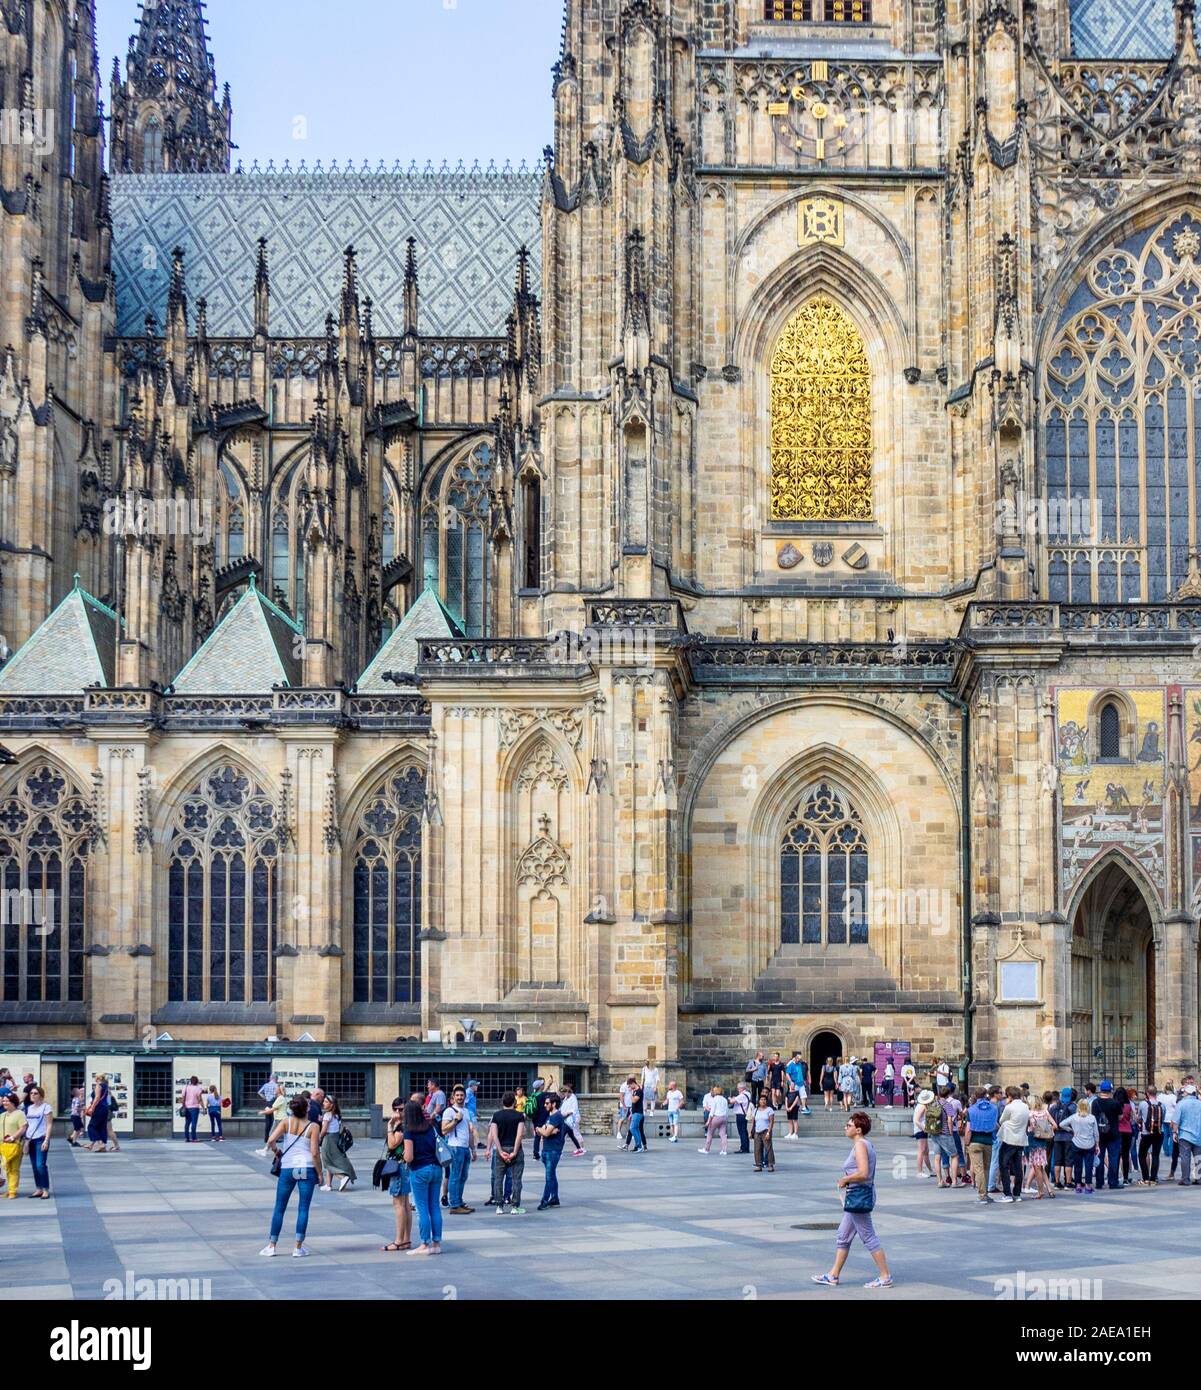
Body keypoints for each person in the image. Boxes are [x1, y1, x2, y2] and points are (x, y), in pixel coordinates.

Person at [812, 1112, 893, 1289]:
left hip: (859, 1197)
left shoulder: (861, 1145)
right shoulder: (862, 1144)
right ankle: (833, 1275)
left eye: (848, 1126)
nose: (845, 1128)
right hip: (858, 1195)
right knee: (843, 1235)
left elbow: (864, 1173)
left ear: (858, 1129)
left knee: (868, 1236)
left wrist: (845, 1179)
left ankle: (885, 1276)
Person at [260, 1096, 322, 1258]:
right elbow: (315, 1152)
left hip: (288, 1167)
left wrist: (277, 1152)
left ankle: (272, 1245)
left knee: (279, 1207)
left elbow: (271, 1140)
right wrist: (320, 1173)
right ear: (307, 1109)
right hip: (307, 1168)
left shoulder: (286, 1122)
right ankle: (298, 1247)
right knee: (303, 1208)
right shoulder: (313, 1126)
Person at [403, 1098, 443, 1255]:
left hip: (419, 1170)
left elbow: (409, 1157)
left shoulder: (409, 1130)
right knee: (434, 1206)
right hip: (436, 1168)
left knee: (422, 1209)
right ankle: (437, 1243)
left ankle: (424, 1244)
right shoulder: (431, 1126)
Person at [485, 1092, 526, 1215]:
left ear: (502, 1102)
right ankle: (514, 1206)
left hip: (501, 1148)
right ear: (514, 1102)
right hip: (515, 1148)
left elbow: (494, 1135)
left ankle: (499, 1205)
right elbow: (520, 1135)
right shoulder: (519, 1116)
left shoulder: (496, 1116)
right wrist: (514, 1151)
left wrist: (499, 1150)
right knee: (516, 1179)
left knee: (498, 1178)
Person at [381, 1098, 412, 1251]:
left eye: (401, 1109)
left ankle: (399, 1240)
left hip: (399, 1166)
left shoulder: (401, 1126)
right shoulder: (410, 1123)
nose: (398, 1112)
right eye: (396, 1109)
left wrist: (389, 1126)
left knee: (398, 1203)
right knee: (405, 1203)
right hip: (405, 1166)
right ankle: (406, 1239)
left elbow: (393, 1143)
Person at [441, 1084, 475, 1213]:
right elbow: (444, 1130)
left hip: (465, 1148)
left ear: (465, 1097)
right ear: (453, 1097)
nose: (460, 1097)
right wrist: (455, 1120)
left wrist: (473, 1149)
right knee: (455, 1176)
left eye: (461, 1095)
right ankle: (454, 1205)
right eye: (457, 1095)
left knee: (463, 1176)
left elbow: (469, 1131)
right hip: (455, 1147)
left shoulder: (466, 1111)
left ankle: (459, 1202)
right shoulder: (449, 1111)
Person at [995, 1085, 1029, 1203]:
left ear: (1009, 1096)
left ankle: (1007, 1194)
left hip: (1009, 1139)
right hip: (1021, 1139)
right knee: (1018, 1166)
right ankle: (1017, 1193)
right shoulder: (1025, 1106)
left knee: (1004, 1165)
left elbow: (1001, 1120)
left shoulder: (1009, 1107)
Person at [963, 1087, 997, 1204]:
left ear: (975, 1096)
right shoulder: (993, 1108)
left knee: (979, 1169)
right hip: (988, 1141)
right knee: (986, 1168)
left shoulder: (971, 1110)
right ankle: (986, 1194)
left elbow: (968, 1129)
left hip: (975, 1141)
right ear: (986, 1095)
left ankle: (982, 1195)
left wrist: (966, 1143)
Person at [318, 1094, 357, 1192]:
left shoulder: (327, 1115)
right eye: (324, 1101)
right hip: (335, 1138)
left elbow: (324, 1130)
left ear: (332, 1105)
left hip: (328, 1139)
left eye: (326, 1102)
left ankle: (342, 1177)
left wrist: (319, 1138)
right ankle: (328, 1185)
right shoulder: (336, 1115)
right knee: (330, 1160)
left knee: (327, 1162)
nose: (323, 1103)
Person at [1059, 1098, 1100, 1192]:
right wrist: (1097, 1144)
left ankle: (1078, 1185)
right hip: (1089, 1144)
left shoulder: (1074, 1117)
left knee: (1078, 1165)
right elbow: (1096, 1133)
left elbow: (1061, 1124)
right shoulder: (1092, 1117)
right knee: (1089, 1166)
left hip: (1077, 1143)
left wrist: (1070, 1130)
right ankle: (1088, 1186)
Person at [535, 1092, 566, 1210]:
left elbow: (545, 1132)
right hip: (547, 1149)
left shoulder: (557, 1116)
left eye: (547, 1103)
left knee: (549, 1177)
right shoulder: (550, 1116)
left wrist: (540, 1129)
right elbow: (545, 1131)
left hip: (553, 1150)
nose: (545, 1105)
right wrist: (544, 1131)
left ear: (554, 1104)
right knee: (552, 1175)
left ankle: (544, 1200)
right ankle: (555, 1199)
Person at [924, 1088, 959, 1187]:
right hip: (945, 1134)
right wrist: (951, 1132)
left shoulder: (933, 1104)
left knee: (937, 1158)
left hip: (934, 1133)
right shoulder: (948, 1105)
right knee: (954, 1156)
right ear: (948, 1094)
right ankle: (954, 1181)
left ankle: (940, 1181)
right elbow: (949, 1120)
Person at [23, 1085, 52, 1198]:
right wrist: (25, 1141)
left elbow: (49, 1124)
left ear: (41, 1095)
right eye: (31, 1093)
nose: (32, 1095)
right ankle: (38, 1188)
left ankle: (45, 1189)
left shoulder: (46, 1107)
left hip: (41, 1139)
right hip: (30, 1140)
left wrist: (46, 1140)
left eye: (35, 1093)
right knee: (34, 1166)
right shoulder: (29, 1108)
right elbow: (26, 1125)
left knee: (40, 1165)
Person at [1092, 1080, 1122, 1190]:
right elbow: (1120, 1117)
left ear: (1101, 1090)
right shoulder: (1115, 1103)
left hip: (1099, 1135)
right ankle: (1113, 1182)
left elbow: (1093, 1118)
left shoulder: (1095, 1103)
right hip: (1113, 1134)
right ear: (1110, 1090)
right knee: (1113, 1158)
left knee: (1099, 1157)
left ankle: (1099, 1182)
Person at [1025, 1092, 1056, 1199]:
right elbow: (1055, 1125)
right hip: (1043, 1142)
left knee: (1036, 1168)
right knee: (1041, 1167)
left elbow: (1029, 1128)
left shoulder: (1030, 1114)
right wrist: (1046, 1130)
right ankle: (1050, 1189)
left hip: (1033, 1142)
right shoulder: (1045, 1112)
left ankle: (1040, 1192)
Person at [1174, 1082, 1201, 1185]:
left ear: (1187, 1093)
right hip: (1198, 1134)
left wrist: (1174, 1132)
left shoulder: (1181, 1104)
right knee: (1198, 1157)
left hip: (1185, 1135)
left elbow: (1176, 1121)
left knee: (1185, 1157)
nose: (1183, 1093)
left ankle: (1185, 1179)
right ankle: (1199, 1178)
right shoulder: (1200, 1103)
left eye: (1184, 1092)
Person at [0, 1093, 27, 1198]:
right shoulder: (2, 1115)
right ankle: (9, 1188)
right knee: (5, 1168)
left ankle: (12, 1191)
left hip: (14, 1145)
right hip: (2, 1145)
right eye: (4, 1101)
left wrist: (13, 1137)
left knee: (13, 1168)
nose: (5, 1103)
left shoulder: (19, 1114)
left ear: (13, 1102)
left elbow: (23, 1127)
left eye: (7, 1101)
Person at [1138, 1086, 1165, 1185]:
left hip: (1147, 1133)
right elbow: (1163, 1118)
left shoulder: (1143, 1104)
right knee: (1155, 1155)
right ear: (1156, 1093)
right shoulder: (1162, 1105)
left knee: (1142, 1155)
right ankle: (1153, 1179)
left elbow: (1139, 1117)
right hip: (1158, 1132)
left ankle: (1145, 1178)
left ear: (1147, 1093)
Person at [1049, 1087, 1075, 1189]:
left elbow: (1049, 1121)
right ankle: (1068, 1183)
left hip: (1057, 1137)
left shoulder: (1054, 1107)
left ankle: (1056, 1182)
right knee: (1068, 1160)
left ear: (1061, 1095)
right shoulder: (1073, 1107)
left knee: (1057, 1160)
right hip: (1069, 1137)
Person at [1115, 1086, 1136, 1185]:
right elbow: (1132, 1119)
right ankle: (1126, 1178)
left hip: (1117, 1131)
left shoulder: (1114, 1105)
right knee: (1126, 1155)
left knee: (1116, 1155)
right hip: (1127, 1131)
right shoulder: (1128, 1106)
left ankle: (1115, 1176)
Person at [85, 1075, 111, 1153]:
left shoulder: (98, 1086)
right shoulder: (106, 1087)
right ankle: (101, 1147)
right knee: (101, 1127)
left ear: (99, 1079)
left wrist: (92, 1107)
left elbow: (97, 1097)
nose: (95, 1079)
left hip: (98, 1108)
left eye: (96, 1078)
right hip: (105, 1109)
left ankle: (101, 1143)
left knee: (91, 1126)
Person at [700, 1085, 729, 1155]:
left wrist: (708, 1121)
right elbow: (726, 1110)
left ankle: (706, 1149)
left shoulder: (714, 1099)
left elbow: (712, 1112)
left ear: (715, 1092)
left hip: (716, 1117)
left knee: (709, 1133)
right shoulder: (725, 1099)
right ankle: (724, 1150)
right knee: (723, 1135)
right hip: (724, 1117)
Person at [559, 1082, 586, 1156]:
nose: (563, 1095)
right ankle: (579, 1149)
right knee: (572, 1135)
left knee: (564, 1135)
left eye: (564, 1093)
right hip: (566, 1120)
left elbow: (574, 1110)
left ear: (567, 1092)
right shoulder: (566, 1099)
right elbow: (562, 1108)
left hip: (571, 1120)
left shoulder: (573, 1098)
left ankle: (581, 1148)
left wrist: (566, 1114)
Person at [913, 1089, 935, 1178]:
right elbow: (916, 1120)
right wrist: (924, 1128)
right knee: (921, 1151)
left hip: (922, 1130)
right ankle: (919, 1171)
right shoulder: (922, 1106)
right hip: (920, 1130)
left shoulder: (921, 1106)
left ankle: (930, 1170)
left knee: (926, 1151)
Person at [752, 1091, 775, 1172]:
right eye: (761, 1099)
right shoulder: (755, 1110)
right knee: (757, 1149)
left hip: (766, 1131)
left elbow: (771, 1121)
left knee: (768, 1148)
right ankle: (758, 1165)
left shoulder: (769, 1110)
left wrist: (769, 1132)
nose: (763, 1101)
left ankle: (770, 1164)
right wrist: (751, 1131)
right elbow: (753, 1121)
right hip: (757, 1131)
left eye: (764, 1100)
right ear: (759, 1101)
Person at [730, 1081, 753, 1153]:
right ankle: (745, 1147)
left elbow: (732, 1101)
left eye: (738, 1088)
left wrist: (729, 1098)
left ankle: (744, 1148)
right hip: (744, 1114)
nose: (738, 1090)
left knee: (742, 1132)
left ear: (741, 1088)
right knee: (744, 1131)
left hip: (740, 1115)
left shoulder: (742, 1095)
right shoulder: (748, 1094)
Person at [180, 1075, 203, 1143]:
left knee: (187, 1123)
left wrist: (184, 1106)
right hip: (195, 1108)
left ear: (190, 1081)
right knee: (194, 1123)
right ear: (197, 1081)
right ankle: (194, 1138)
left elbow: (183, 1098)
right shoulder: (198, 1089)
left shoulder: (185, 1087)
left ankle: (187, 1138)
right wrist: (203, 1107)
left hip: (187, 1108)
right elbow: (200, 1099)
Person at [627, 1078, 646, 1153]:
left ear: (633, 1083)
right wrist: (631, 1113)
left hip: (638, 1113)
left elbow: (634, 1100)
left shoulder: (639, 1091)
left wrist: (629, 1093)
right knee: (636, 1129)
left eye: (629, 1085)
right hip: (635, 1113)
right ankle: (638, 1146)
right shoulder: (634, 1091)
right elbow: (633, 1104)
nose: (629, 1087)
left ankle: (639, 1146)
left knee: (632, 1128)